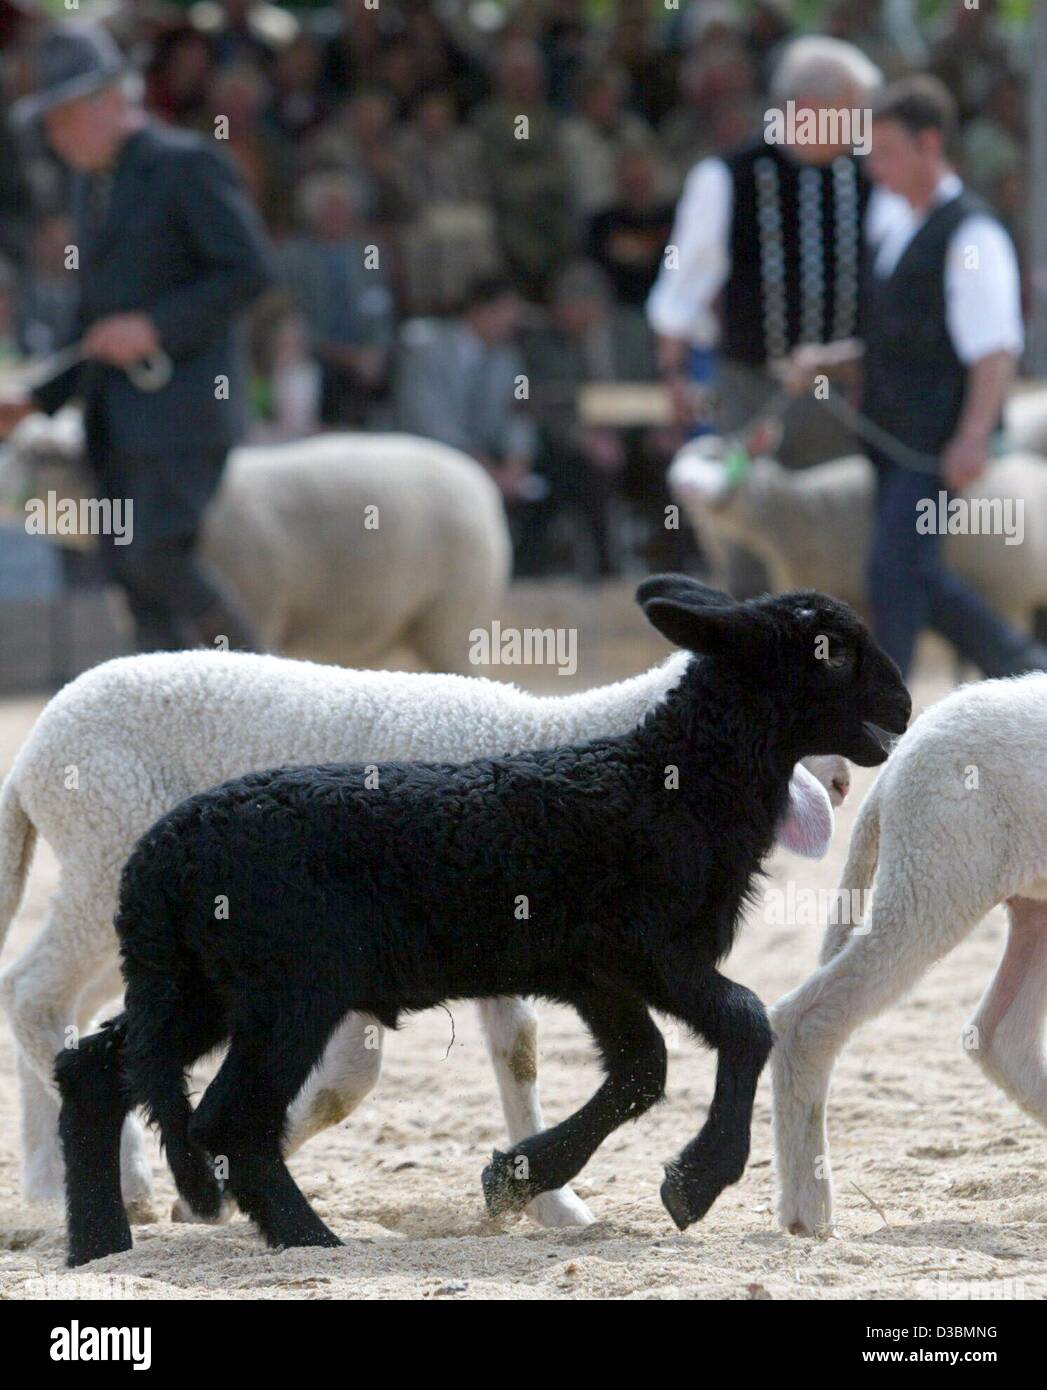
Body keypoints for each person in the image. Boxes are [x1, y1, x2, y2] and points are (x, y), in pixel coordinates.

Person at [0, 23, 273, 652]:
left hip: (183, 414)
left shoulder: (189, 164)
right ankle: (171, 729)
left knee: (157, 557)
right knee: (129, 576)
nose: (57, 137)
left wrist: (155, 327)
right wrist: (38, 397)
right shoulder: (90, 186)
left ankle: (272, 688)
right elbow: (91, 325)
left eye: (65, 118)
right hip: (116, 421)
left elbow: (249, 270)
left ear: (108, 102)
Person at [646, 36, 881, 593]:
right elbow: (680, 292)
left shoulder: (872, 178)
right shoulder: (726, 177)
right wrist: (675, 377)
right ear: (810, 109)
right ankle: (749, 665)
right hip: (751, 388)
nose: (861, 125)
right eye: (853, 111)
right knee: (744, 543)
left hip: (841, 400)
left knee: (840, 542)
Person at [857, 77, 1044, 678]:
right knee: (912, 573)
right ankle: (1026, 675)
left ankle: (893, 709)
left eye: (886, 151)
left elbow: (994, 349)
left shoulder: (972, 233)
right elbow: (894, 331)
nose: (873, 165)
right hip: (890, 441)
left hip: (931, 444)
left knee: (893, 569)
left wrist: (972, 436)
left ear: (929, 145)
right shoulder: (896, 224)